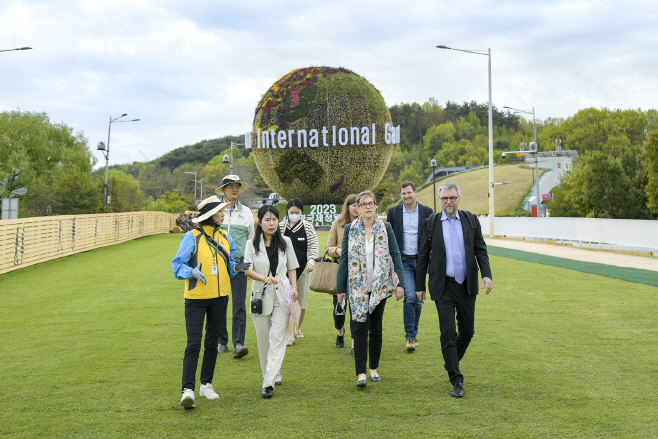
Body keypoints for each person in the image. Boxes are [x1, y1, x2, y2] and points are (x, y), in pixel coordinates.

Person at [171, 196, 251, 408]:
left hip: (219, 298)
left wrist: (237, 268)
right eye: (219, 212)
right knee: (194, 344)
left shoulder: (225, 237)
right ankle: (187, 390)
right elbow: (177, 266)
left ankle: (206, 385)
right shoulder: (191, 237)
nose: (223, 214)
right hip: (195, 299)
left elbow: (230, 265)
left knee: (212, 344)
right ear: (209, 216)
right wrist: (192, 272)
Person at [415, 181, 493, 398]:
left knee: (467, 332)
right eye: (444, 198)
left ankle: (450, 360)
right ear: (439, 200)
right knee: (448, 332)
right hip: (443, 286)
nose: (449, 202)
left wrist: (486, 275)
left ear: (459, 198)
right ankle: (456, 379)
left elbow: (480, 250)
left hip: (467, 284)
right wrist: (419, 286)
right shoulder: (431, 222)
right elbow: (423, 256)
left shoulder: (470, 219)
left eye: (452, 198)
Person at [336, 190, 404, 388]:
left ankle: (373, 367)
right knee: (359, 327)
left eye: (371, 203)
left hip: (379, 286)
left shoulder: (386, 228)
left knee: (376, 327)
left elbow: (395, 254)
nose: (367, 207)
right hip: (357, 287)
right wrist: (341, 288)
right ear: (357, 207)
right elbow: (344, 258)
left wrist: (400, 283)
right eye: (363, 204)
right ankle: (361, 373)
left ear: (375, 206)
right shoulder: (350, 229)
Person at [244, 205, 299, 398]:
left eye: (274, 219)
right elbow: (246, 269)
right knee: (263, 340)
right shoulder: (251, 244)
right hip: (260, 295)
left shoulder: (286, 243)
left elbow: (292, 267)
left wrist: (293, 288)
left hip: (282, 295)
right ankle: (272, 373)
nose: (271, 223)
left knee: (277, 338)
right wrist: (262, 277)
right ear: (259, 221)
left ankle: (268, 383)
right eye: (267, 219)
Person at [386, 181, 433, 351]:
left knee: (418, 299)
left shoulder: (427, 212)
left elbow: (432, 237)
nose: (406, 196)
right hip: (403, 261)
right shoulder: (394, 211)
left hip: (421, 262)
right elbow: (388, 238)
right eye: (403, 193)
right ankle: (410, 337)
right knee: (411, 297)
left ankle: (413, 335)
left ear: (415, 193)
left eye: (408, 193)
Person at [215, 175, 255, 359]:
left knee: (239, 304)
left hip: (239, 265)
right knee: (219, 304)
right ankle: (221, 341)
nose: (234, 189)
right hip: (217, 264)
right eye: (230, 186)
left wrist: (248, 264)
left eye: (237, 186)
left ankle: (238, 343)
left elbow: (251, 240)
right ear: (223, 190)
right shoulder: (214, 211)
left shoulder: (246, 212)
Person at [279, 198, 319, 345]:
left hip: (303, 270)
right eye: (291, 212)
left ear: (301, 212)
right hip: (284, 271)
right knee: (289, 300)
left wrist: (311, 261)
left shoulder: (307, 227)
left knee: (301, 302)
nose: (294, 215)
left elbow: (314, 245)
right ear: (287, 212)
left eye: (297, 212)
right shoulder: (281, 226)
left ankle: (298, 327)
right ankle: (289, 335)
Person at [325, 194, 359, 352]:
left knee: (356, 309)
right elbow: (328, 248)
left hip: (360, 272)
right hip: (341, 271)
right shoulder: (338, 223)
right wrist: (338, 250)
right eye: (353, 205)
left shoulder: (365, 224)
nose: (356, 208)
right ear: (347, 207)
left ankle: (354, 342)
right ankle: (340, 331)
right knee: (339, 310)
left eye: (359, 204)